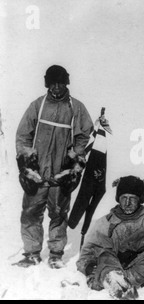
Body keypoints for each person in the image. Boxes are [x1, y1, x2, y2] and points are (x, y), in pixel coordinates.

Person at [14, 65, 93, 269]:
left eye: (60, 83)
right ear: (47, 84)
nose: (56, 87)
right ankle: (31, 253)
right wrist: (27, 161)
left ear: (66, 83)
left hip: (60, 174)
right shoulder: (38, 106)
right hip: (37, 173)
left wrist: (74, 157)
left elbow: (84, 134)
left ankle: (56, 254)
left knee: (58, 213)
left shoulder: (76, 108)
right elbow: (23, 135)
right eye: (53, 83)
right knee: (31, 212)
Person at [76, 176, 144, 300]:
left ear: (140, 199)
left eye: (132, 198)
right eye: (123, 198)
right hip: (112, 264)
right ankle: (113, 279)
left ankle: (117, 281)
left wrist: (129, 249)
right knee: (104, 254)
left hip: (140, 267)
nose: (127, 203)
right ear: (118, 199)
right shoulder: (105, 222)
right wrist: (90, 268)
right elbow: (87, 253)